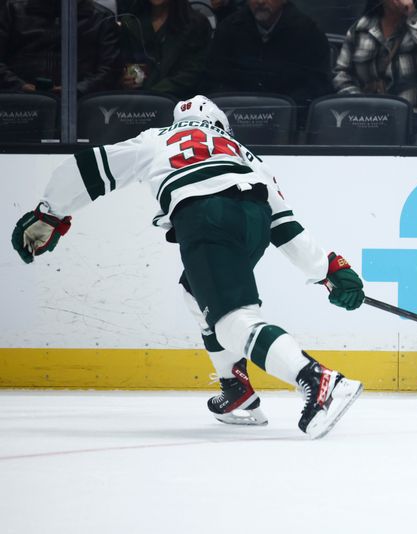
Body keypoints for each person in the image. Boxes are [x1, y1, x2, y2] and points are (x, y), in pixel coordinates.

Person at [11, 95, 365, 439]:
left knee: (231, 321)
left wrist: (49, 213)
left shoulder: (160, 137)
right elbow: (284, 224)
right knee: (195, 292)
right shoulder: (245, 153)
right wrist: (328, 271)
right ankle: (235, 387)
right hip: (253, 219)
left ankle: (317, 379)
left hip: (205, 214)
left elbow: (89, 166)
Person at [205, 0, 332, 109]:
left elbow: (316, 86)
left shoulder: (308, 32)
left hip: (288, 123)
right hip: (236, 116)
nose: (260, 2)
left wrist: (284, 110)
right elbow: (214, 79)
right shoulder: (229, 29)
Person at [332, 0, 417, 112]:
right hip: (371, 119)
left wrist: (411, 15)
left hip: (416, 119)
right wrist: (359, 102)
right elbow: (342, 75)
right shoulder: (360, 29)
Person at [0, 0, 120, 96]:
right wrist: (19, 86)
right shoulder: (13, 10)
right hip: (18, 101)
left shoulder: (101, 18)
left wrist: (78, 90)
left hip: (81, 105)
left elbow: (110, 69)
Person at [118, 0, 212, 99]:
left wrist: (152, 93)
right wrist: (124, 79)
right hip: (136, 103)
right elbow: (124, 63)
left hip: (182, 102)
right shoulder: (130, 22)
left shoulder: (196, 23)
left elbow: (192, 73)